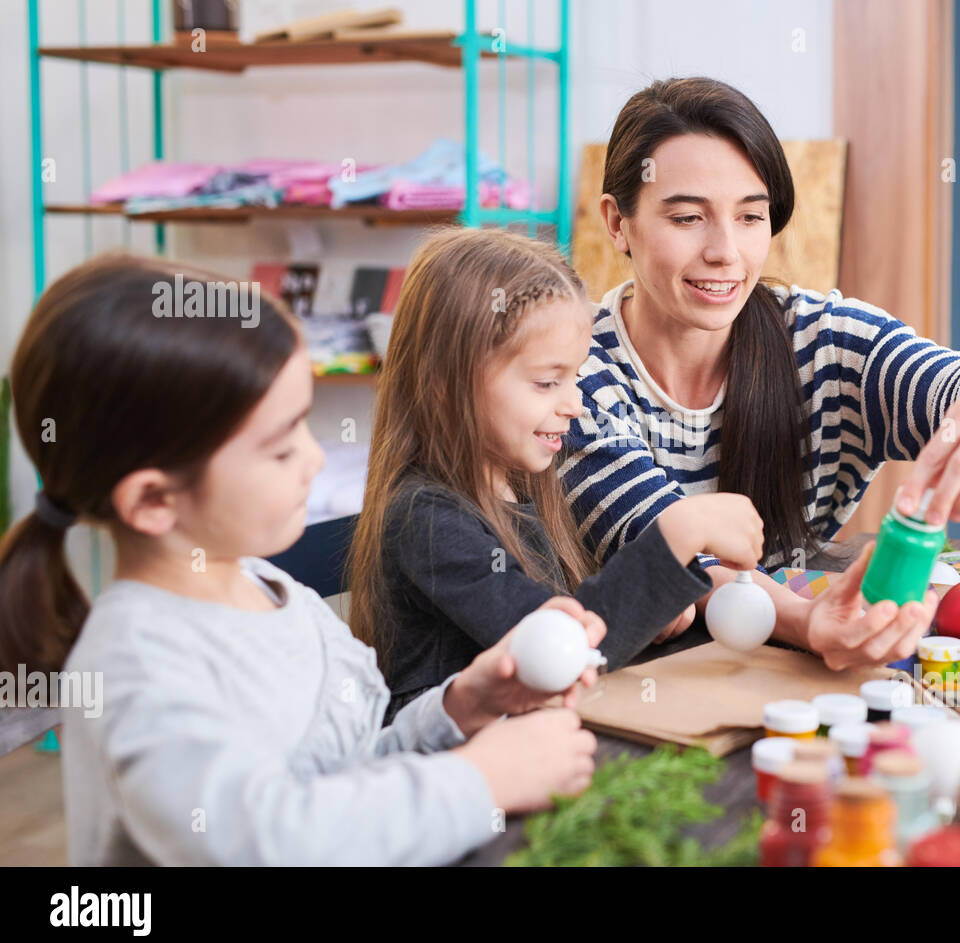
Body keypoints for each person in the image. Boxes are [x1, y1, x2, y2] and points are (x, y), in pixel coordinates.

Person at [0, 254, 600, 865]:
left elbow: (341, 782)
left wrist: (454, 710)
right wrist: (479, 782)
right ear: (154, 500)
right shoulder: (137, 667)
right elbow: (273, 841)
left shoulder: (271, 591)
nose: (315, 460)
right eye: (282, 448)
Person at [560, 77, 960, 671]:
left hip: (784, 674)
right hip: (639, 683)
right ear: (618, 223)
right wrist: (805, 623)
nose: (726, 251)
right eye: (689, 217)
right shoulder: (571, 374)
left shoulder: (821, 341)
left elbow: (954, 387)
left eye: (751, 217)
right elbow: (673, 558)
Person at [345, 227, 767, 722]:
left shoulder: (521, 483)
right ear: (445, 385)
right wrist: (680, 531)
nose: (574, 405)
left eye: (575, 377)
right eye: (548, 382)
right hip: (452, 775)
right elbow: (556, 655)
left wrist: (645, 607)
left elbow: (563, 620)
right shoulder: (426, 518)